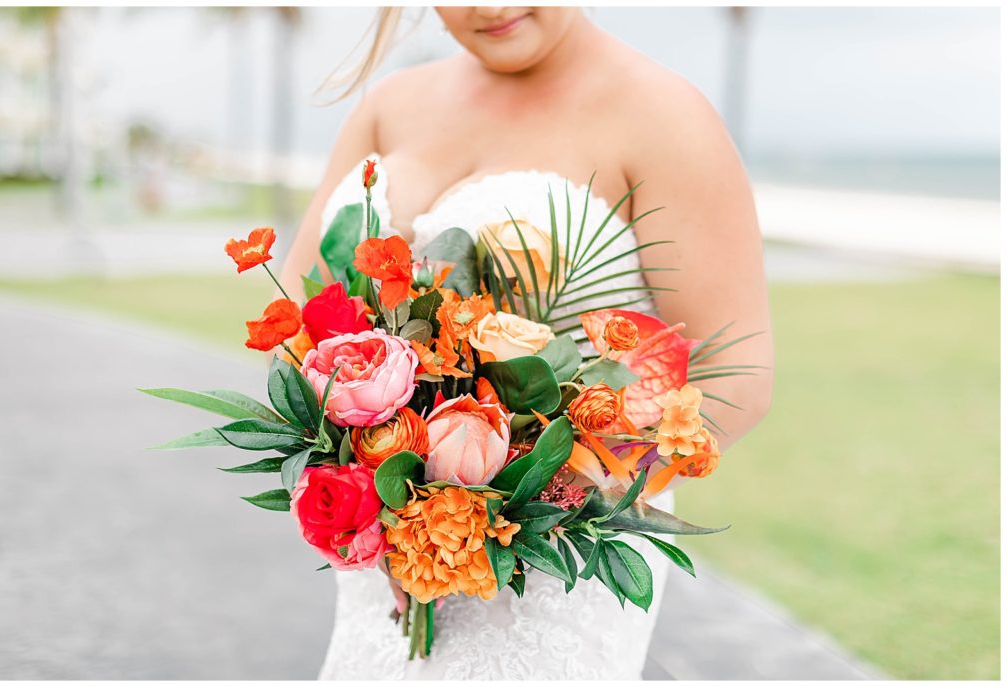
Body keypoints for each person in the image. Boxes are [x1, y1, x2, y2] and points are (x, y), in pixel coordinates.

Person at [279, 6, 773, 680]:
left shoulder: (663, 116)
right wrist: (379, 492)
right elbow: (297, 320)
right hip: (387, 563)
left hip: (553, 562)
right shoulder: (388, 107)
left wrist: (531, 501)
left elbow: (737, 375)